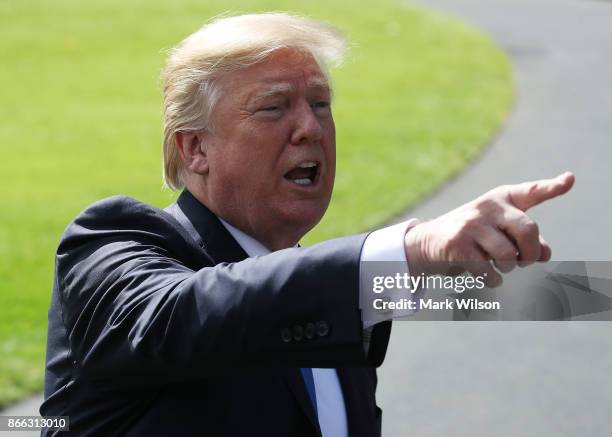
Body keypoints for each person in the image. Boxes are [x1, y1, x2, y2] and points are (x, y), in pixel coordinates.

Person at [40, 12, 574, 437]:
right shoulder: (111, 241)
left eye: (321, 104)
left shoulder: (326, 299)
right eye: (273, 108)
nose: (310, 127)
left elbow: (534, 295)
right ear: (195, 147)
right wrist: (412, 248)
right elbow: (184, 317)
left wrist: (584, 293)